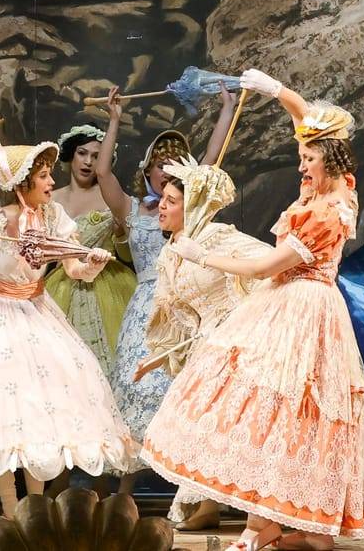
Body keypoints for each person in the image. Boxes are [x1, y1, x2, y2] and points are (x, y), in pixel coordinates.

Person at [140, 68, 364, 551]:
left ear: (330, 161)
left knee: (286, 408)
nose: (302, 166)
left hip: (303, 305)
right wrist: (277, 92)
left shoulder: (326, 212)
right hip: (289, 299)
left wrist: (201, 255)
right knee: (276, 410)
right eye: (302, 157)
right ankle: (279, 525)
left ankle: (270, 526)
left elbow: (262, 267)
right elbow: (308, 125)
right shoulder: (335, 187)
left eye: (309, 160)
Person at [0, 141, 141, 518]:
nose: (51, 182)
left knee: (39, 411)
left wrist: (93, 262)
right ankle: (11, 509)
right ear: (23, 183)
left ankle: (35, 509)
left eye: (49, 174)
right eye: (43, 176)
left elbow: (76, 271)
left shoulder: (53, 217)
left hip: (38, 314)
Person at [109, 89, 241, 501]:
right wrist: (114, 119)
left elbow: (212, 161)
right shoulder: (133, 209)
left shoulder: (187, 208)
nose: (165, 175)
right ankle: (126, 486)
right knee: (135, 383)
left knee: (183, 386)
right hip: (144, 303)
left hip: (182, 300)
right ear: (147, 170)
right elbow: (103, 174)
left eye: (173, 169)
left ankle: (192, 486)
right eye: (159, 168)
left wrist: (227, 109)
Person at [131, 157, 268, 530]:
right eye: (163, 198)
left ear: (191, 207)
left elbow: (268, 265)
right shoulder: (170, 252)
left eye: (172, 201)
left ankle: (255, 512)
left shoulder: (218, 236)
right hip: (207, 344)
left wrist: (238, 306)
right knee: (203, 426)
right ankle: (207, 506)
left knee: (230, 425)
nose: (162, 206)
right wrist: (159, 356)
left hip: (240, 340)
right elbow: (177, 314)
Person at [45, 105, 137, 377]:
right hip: (62, 283)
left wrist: (120, 234)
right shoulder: (51, 198)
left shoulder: (111, 197)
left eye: (96, 156)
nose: (88, 162)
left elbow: (128, 254)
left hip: (110, 284)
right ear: (70, 156)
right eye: (82, 153)